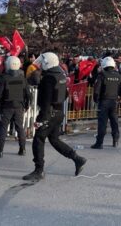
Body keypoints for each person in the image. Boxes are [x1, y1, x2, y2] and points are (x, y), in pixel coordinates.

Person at [23, 53, 86, 181]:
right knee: (54, 140)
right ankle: (77, 158)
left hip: (49, 112)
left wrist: (42, 119)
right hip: (58, 112)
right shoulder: (61, 74)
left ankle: (38, 170)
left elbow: (45, 100)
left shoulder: (48, 78)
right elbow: (66, 94)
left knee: (38, 140)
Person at [0, 56, 30, 158]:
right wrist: (27, 105)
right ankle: (23, 149)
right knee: (19, 127)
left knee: (3, 128)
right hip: (19, 106)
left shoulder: (4, 78)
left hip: (7, 106)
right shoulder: (22, 79)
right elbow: (28, 94)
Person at [91, 56, 121, 149]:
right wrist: (120, 98)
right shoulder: (118, 75)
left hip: (104, 102)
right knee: (114, 122)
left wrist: (96, 100)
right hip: (114, 102)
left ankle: (99, 143)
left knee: (102, 123)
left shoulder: (102, 75)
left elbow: (96, 90)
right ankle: (115, 140)